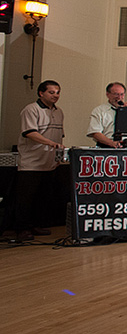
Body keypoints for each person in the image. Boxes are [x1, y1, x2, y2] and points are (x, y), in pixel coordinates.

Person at [14, 80, 64, 242]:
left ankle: (36, 224)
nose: (55, 95)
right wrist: (50, 143)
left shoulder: (59, 111)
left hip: (49, 163)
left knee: (43, 197)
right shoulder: (31, 110)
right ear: (41, 93)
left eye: (57, 92)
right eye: (51, 92)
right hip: (32, 163)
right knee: (26, 199)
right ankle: (22, 229)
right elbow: (30, 132)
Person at [87, 82, 126, 148]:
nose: (119, 97)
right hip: (105, 147)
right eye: (116, 94)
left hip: (125, 147)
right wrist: (112, 143)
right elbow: (95, 132)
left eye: (121, 94)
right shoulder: (99, 111)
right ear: (108, 94)